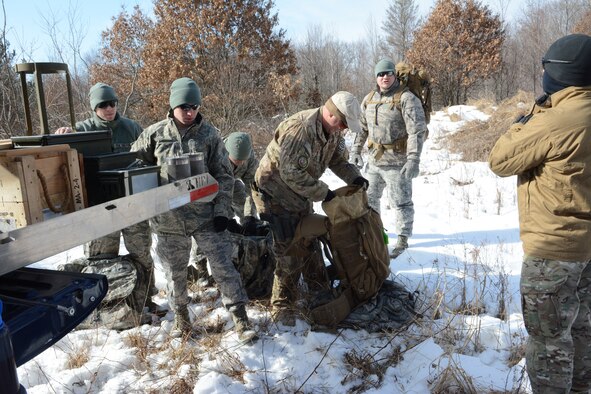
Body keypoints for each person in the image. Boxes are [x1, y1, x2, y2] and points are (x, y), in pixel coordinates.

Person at [489, 34, 591, 393]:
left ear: (560, 74)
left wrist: (524, 120)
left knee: (548, 342)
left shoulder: (555, 121)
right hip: (585, 250)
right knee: (580, 330)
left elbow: (500, 160)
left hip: (553, 249)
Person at [131, 77, 256, 342]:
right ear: (173, 105)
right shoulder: (155, 134)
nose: (190, 112)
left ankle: (240, 318)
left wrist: (223, 212)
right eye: (184, 106)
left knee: (223, 265)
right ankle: (181, 319)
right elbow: (131, 165)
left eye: (195, 106)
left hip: (206, 217)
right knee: (174, 273)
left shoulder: (209, 135)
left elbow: (224, 176)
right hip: (168, 221)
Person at [253, 91, 368, 326]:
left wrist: (354, 178)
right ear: (331, 113)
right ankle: (282, 305)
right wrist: (323, 192)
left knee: (310, 241)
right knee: (289, 250)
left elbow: (338, 160)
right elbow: (290, 173)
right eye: (344, 122)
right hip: (275, 193)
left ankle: (318, 292)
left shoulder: (333, 132)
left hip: (300, 195)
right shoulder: (300, 129)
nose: (345, 128)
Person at [56, 83, 156, 326]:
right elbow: (60, 159)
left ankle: (144, 302)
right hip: (99, 209)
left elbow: (150, 156)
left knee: (141, 254)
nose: (109, 108)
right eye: (103, 105)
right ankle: (102, 308)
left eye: (112, 103)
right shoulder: (82, 130)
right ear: (94, 108)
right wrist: (61, 137)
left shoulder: (131, 128)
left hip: (131, 204)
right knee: (100, 260)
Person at [350, 59, 428, 259]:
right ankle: (377, 234)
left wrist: (413, 160)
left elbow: (416, 132)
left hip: (397, 163)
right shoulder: (369, 99)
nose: (384, 77)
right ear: (376, 77)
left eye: (388, 73)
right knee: (370, 200)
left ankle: (402, 239)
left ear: (394, 75)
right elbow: (362, 128)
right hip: (374, 162)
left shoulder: (407, 99)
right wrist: (356, 151)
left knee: (401, 202)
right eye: (380, 74)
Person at [189, 131, 260, 280]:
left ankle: (244, 241)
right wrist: (225, 217)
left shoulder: (250, 159)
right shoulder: (211, 154)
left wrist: (249, 216)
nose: (239, 164)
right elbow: (206, 191)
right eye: (235, 161)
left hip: (231, 185)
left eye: (241, 161)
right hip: (208, 189)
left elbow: (252, 190)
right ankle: (200, 264)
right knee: (205, 222)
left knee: (241, 193)